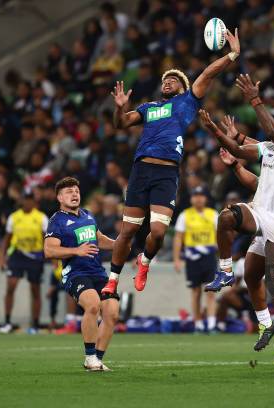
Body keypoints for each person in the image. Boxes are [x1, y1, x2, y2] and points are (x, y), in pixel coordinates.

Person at [102, 28, 241, 297]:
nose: (168, 81)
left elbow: (208, 73)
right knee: (127, 231)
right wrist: (119, 107)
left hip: (166, 173)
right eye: (165, 79)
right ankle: (112, 281)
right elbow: (120, 124)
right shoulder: (147, 108)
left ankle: (144, 261)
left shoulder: (187, 102)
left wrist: (232, 54)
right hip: (141, 170)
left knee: (157, 232)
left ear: (183, 87)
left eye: (174, 79)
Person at [201, 73, 274, 366]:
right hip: (264, 217)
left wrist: (254, 99)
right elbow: (240, 151)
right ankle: (256, 311)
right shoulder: (270, 150)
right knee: (228, 222)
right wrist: (215, 130)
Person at [44, 177, 117, 371]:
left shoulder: (88, 215)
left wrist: (121, 245)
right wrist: (76, 251)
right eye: (68, 192)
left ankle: (97, 360)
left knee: (112, 312)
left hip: (97, 272)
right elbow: (49, 251)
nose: (74, 194)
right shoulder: (56, 221)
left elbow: (99, 239)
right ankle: (90, 356)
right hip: (75, 273)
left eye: (76, 190)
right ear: (59, 197)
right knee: (93, 305)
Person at [0, 192, 49, 335]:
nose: (27, 202)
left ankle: (36, 324)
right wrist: (2, 257)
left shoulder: (40, 217)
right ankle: (7, 322)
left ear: (34, 202)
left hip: (35, 256)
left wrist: (50, 256)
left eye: (29, 200)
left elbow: (46, 238)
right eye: (25, 199)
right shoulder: (14, 217)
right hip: (18, 254)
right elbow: (7, 238)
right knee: (11, 285)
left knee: (35, 289)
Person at [172, 186, 219, 334]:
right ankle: (198, 323)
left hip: (209, 256)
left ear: (206, 198)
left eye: (201, 196)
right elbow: (178, 237)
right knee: (195, 291)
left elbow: (221, 236)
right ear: (191, 198)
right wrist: (176, 259)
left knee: (211, 291)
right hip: (192, 257)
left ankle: (211, 324)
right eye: (195, 196)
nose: (198, 199)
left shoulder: (213, 214)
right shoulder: (184, 215)